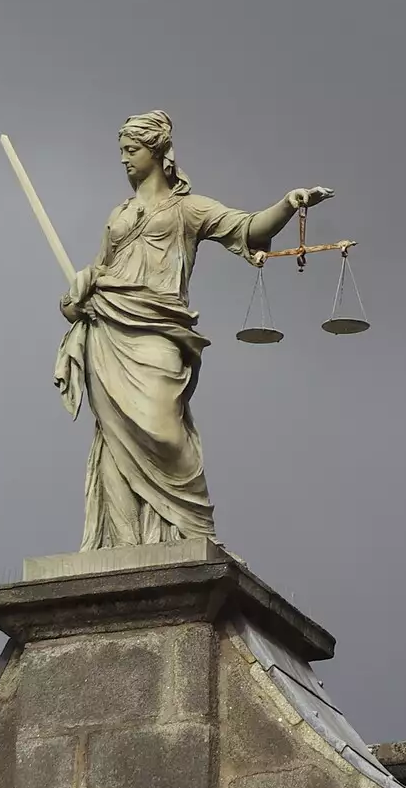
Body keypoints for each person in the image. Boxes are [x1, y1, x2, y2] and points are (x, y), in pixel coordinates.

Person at [55, 110, 332, 550]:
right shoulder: (119, 214)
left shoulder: (189, 209)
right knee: (115, 436)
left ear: (159, 152)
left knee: (164, 429)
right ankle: (124, 543)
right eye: (122, 152)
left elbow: (247, 228)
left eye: (132, 150)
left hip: (161, 330)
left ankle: (194, 530)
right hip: (109, 330)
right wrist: (77, 296)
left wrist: (287, 204)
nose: (125, 160)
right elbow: (100, 272)